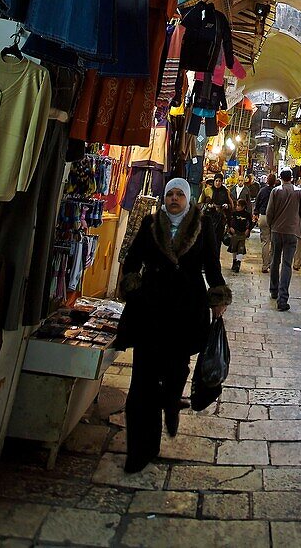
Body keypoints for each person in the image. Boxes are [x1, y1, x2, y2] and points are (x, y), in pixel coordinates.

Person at [114, 178, 232, 474]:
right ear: (164, 198)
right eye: (170, 194)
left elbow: (213, 266)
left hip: (186, 309)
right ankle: (140, 450)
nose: (175, 199)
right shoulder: (150, 224)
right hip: (151, 308)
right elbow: (132, 260)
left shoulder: (202, 227)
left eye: (180, 194)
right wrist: (132, 285)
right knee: (142, 382)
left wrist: (217, 296)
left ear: (188, 199)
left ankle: (170, 400)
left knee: (176, 369)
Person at [266, 168, 301, 312]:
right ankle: (282, 299)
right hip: (292, 232)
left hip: (277, 231)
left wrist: (271, 226)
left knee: (275, 260)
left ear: (281, 178)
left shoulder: (276, 191)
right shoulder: (299, 192)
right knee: (287, 264)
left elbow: (269, 212)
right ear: (291, 178)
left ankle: (273, 290)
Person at [254, 172, 277, 273]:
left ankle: (265, 265)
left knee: (265, 242)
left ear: (267, 181)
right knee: (274, 242)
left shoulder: (262, 191)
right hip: (275, 218)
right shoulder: (277, 191)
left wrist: (255, 213)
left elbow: (257, 203)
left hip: (263, 216)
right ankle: (272, 264)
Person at [205, 172, 232, 249]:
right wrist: (208, 206)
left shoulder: (225, 192)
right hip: (209, 219)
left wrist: (227, 206)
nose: (218, 183)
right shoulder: (208, 191)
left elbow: (231, 205)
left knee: (217, 242)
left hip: (221, 220)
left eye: (219, 181)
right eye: (216, 181)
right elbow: (200, 204)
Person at [227, 197, 253, 273]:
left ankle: (238, 263)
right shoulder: (234, 213)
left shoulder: (247, 215)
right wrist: (230, 227)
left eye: (238, 205)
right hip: (235, 233)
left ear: (243, 207)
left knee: (240, 248)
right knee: (234, 248)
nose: (237, 207)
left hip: (242, 234)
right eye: (237, 205)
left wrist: (248, 229)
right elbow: (229, 221)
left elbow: (250, 223)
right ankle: (234, 261)